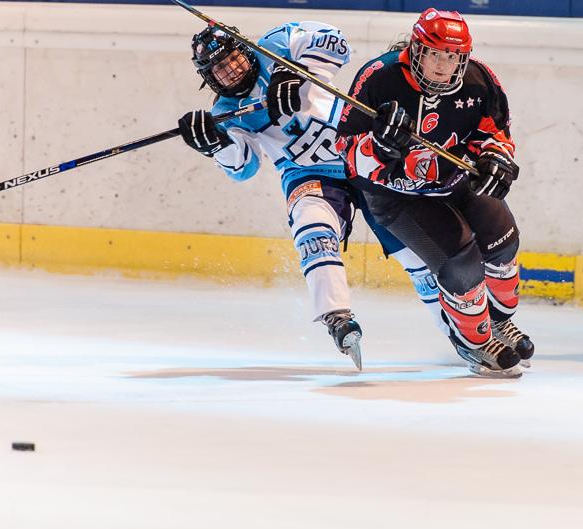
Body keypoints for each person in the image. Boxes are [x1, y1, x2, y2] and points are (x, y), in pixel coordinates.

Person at [177, 20, 447, 370]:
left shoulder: (277, 45)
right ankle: (336, 315)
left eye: (232, 59)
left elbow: (337, 43)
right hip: (307, 173)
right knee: (312, 227)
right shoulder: (225, 114)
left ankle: (462, 330)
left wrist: (292, 72)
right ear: (209, 79)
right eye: (219, 69)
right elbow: (243, 168)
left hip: (360, 152)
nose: (230, 70)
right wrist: (215, 145)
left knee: (415, 254)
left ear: (244, 49)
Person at [334, 9, 535, 378]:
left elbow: (497, 134)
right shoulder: (379, 79)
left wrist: (495, 159)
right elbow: (345, 149)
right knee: (461, 261)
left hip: (457, 180)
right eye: (435, 55)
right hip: (396, 195)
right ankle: (474, 340)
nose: (444, 66)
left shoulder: (480, 80)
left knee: (503, 240)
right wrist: (378, 148)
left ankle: (498, 320)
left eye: (453, 57)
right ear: (417, 49)